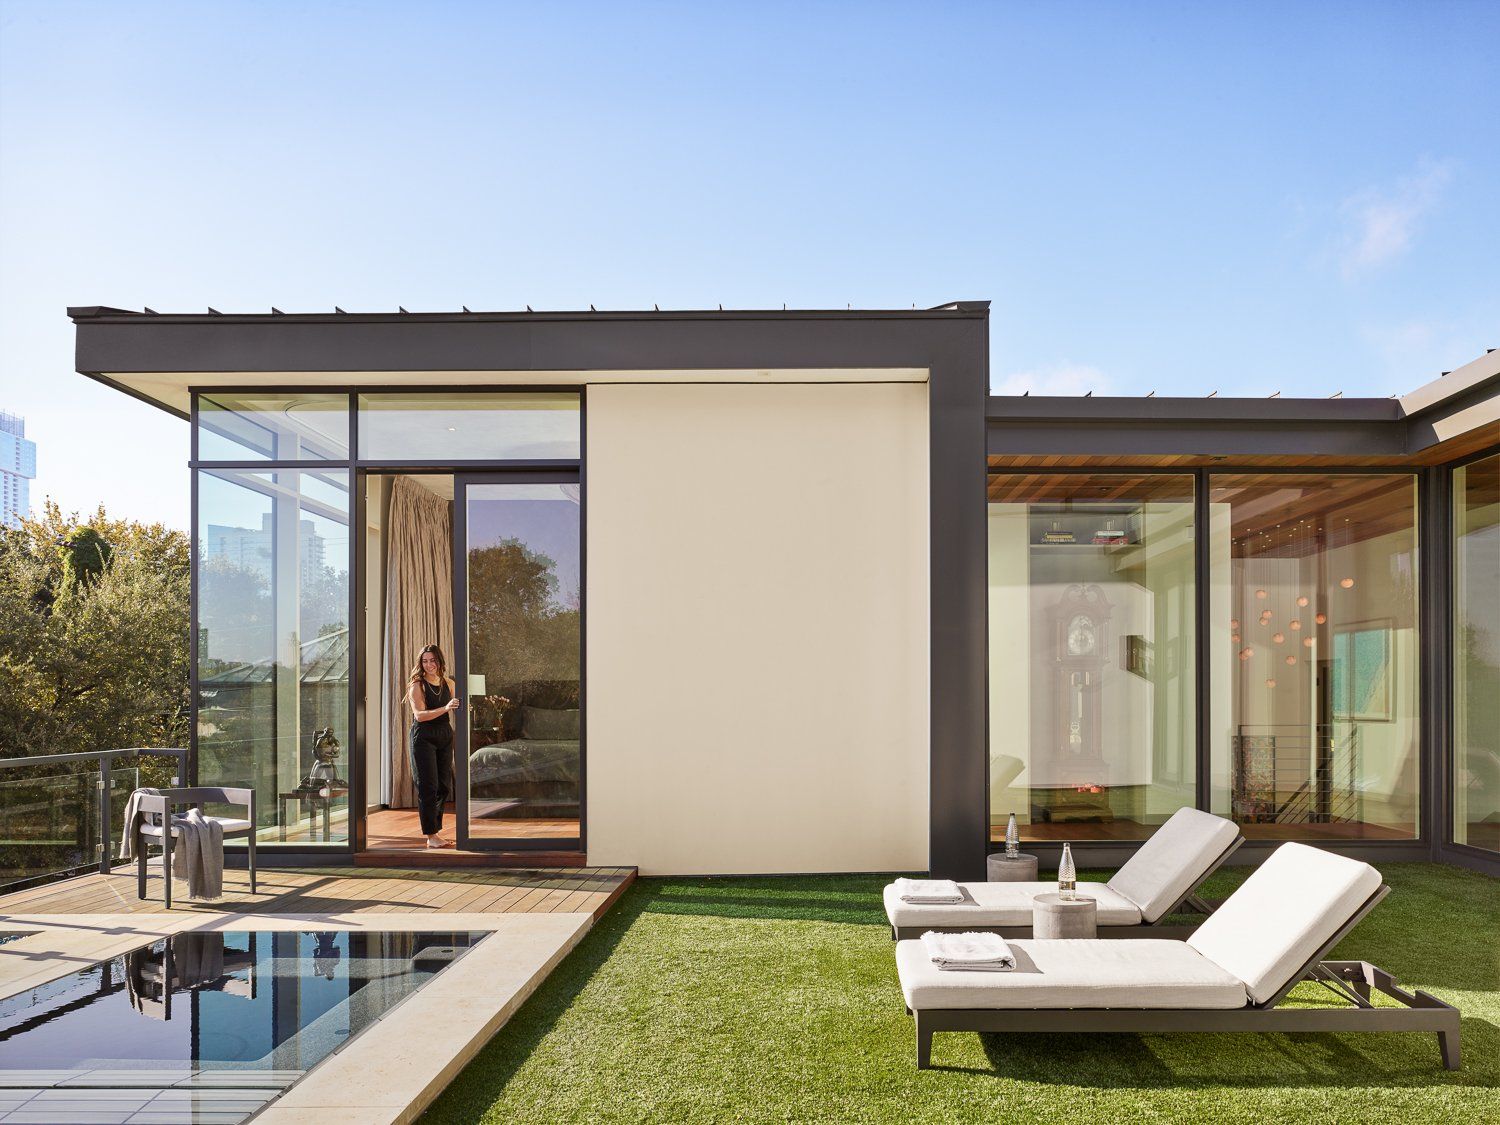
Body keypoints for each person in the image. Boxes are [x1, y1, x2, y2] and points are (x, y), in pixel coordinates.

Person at [407, 644, 460, 848]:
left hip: (445, 734)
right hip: (424, 736)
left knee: (444, 785)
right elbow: (419, 716)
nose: (429, 665)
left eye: (433, 660)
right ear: (420, 663)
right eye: (425, 661)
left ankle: (435, 831)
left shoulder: (449, 683)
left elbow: (457, 706)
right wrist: (446, 707)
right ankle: (431, 835)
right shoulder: (416, 685)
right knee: (428, 786)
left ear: (440, 661)